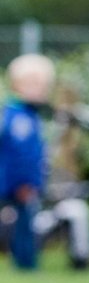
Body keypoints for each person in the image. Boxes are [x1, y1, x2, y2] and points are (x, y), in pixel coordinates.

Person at [1, 53, 55, 271]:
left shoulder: (30, 115)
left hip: (24, 182)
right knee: (24, 224)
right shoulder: (18, 118)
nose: (39, 90)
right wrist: (23, 183)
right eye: (33, 84)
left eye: (43, 86)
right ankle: (25, 265)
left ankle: (25, 263)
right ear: (16, 85)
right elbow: (20, 156)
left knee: (26, 223)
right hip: (17, 183)